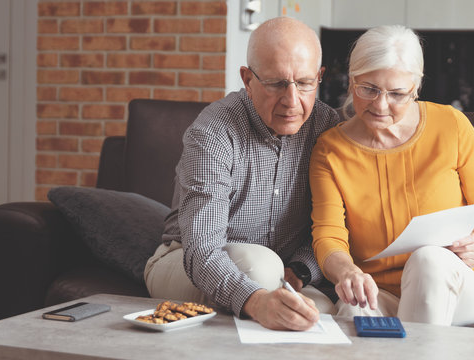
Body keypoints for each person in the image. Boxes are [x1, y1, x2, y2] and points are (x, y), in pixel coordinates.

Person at [144, 17, 341, 331]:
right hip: (186, 261)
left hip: (284, 270)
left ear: (319, 77)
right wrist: (258, 300)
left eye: (304, 83)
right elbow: (202, 250)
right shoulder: (212, 133)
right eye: (276, 83)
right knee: (260, 268)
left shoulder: (328, 127)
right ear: (248, 79)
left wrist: (301, 270)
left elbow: (335, 225)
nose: (292, 101)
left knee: (321, 311)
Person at [309, 25, 474, 326]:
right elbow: (329, 235)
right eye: (369, 89)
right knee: (351, 312)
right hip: (383, 293)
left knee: (428, 260)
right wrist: (347, 272)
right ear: (352, 82)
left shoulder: (452, 125)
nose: (381, 105)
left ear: (415, 88)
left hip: (459, 286)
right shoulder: (330, 149)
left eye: (398, 94)